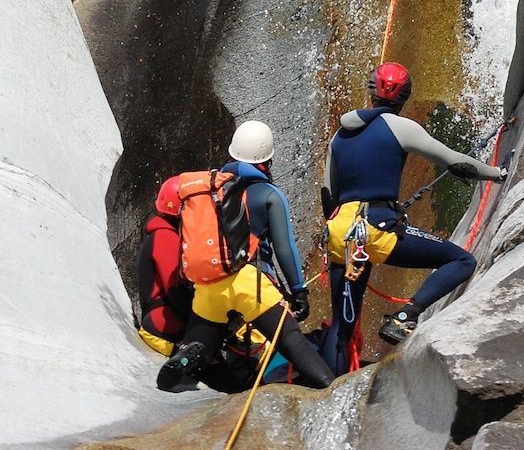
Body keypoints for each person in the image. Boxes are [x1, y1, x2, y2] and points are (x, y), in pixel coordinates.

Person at [320, 62, 505, 375]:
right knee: (462, 261)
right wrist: (497, 173)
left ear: (371, 90)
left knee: (341, 326)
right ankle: (406, 316)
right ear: (405, 96)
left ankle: (326, 387)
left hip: (341, 235)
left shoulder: (339, 135)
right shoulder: (399, 127)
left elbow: (328, 194)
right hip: (375, 229)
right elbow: (455, 162)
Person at [157, 120, 335, 391]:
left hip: (210, 284)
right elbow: (284, 249)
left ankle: (189, 357)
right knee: (291, 340)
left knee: (202, 341)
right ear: (268, 159)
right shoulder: (269, 195)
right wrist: (299, 291)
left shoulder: (213, 189)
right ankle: (331, 387)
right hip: (250, 283)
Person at [136, 176, 192, 356]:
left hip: (163, 319)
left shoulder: (163, 234)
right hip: (164, 325)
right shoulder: (165, 237)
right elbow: (175, 290)